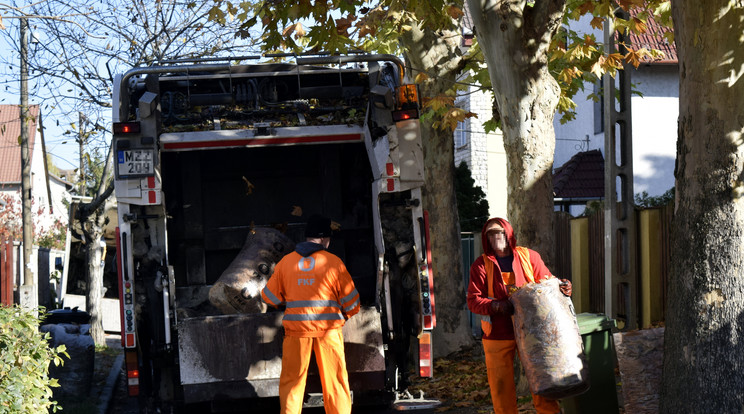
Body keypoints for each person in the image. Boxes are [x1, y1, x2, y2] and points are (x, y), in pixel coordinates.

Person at [466, 217, 572, 414]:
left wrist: (563, 287)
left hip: (533, 332)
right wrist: (497, 306)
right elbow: (473, 301)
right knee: (501, 387)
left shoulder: (530, 257)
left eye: (498, 231)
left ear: (508, 233)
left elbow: (548, 283)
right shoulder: (480, 265)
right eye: (489, 233)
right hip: (497, 334)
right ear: (485, 238)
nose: (495, 236)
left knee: (542, 382)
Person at [261, 214, 360, 414]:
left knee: (292, 383)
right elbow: (352, 303)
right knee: (335, 382)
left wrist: (286, 302)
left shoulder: (286, 263)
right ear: (324, 239)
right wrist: (346, 315)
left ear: (307, 237)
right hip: (329, 333)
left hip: (296, 334)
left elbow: (268, 297)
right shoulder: (334, 263)